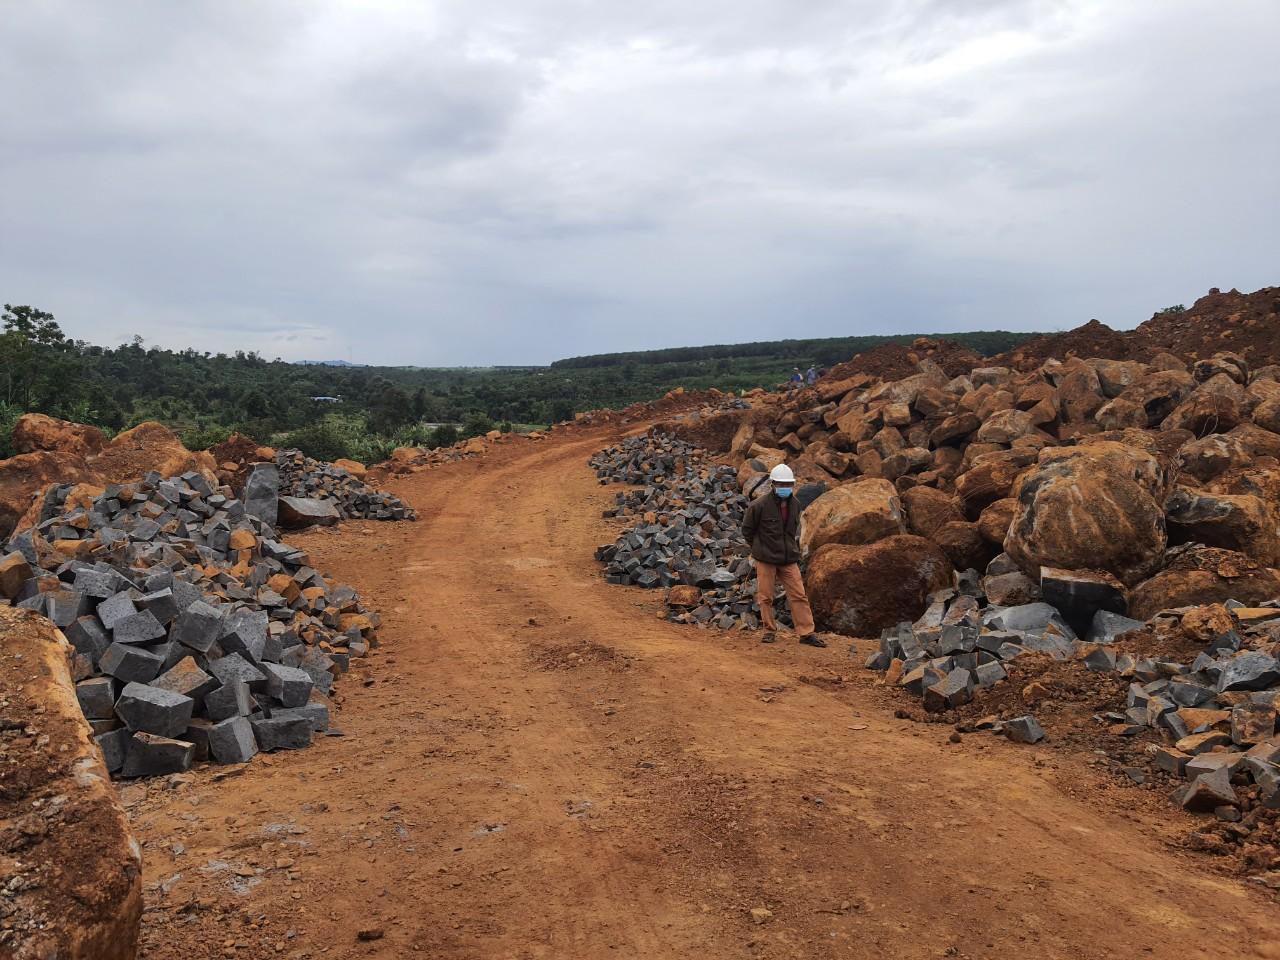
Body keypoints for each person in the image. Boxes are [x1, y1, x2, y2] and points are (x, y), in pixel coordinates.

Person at [740, 463, 824, 647]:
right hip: (766, 559)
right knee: (766, 596)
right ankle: (769, 631)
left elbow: (792, 530)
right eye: (781, 484)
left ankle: (806, 633)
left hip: (788, 558)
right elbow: (747, 530)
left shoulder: (795, 504)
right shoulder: (759, 505)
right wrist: (758, 549)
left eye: (788, 485)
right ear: (773, 484)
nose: (785, 488)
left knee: (799, 595)